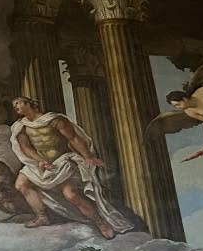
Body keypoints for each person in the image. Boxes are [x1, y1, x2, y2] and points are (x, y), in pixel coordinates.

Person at [9, 96, 132, 238]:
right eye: (14, 105)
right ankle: (42, 216)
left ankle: (100, 222)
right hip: (41, 163)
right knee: (21, 184)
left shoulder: (54, 120)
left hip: (61, 162)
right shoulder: (21, 127)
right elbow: (26, 148)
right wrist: (40, 160)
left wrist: (88, 156)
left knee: (71, 195)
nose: (16, 106)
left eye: (18, 103)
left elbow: (73, 138)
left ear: (29, 104)